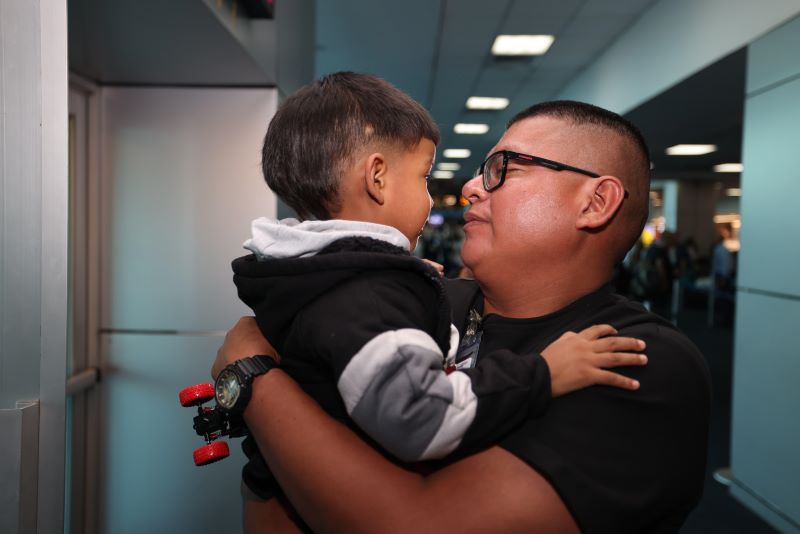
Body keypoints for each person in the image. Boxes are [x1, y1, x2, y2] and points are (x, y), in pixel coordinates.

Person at [215, 100, 711, 533]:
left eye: (503, 168)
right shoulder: (408, 301)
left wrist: (252, 381)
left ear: (594, 202)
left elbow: (412, 526)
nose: (472, 186)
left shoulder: (633, 358)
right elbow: (268, 499)